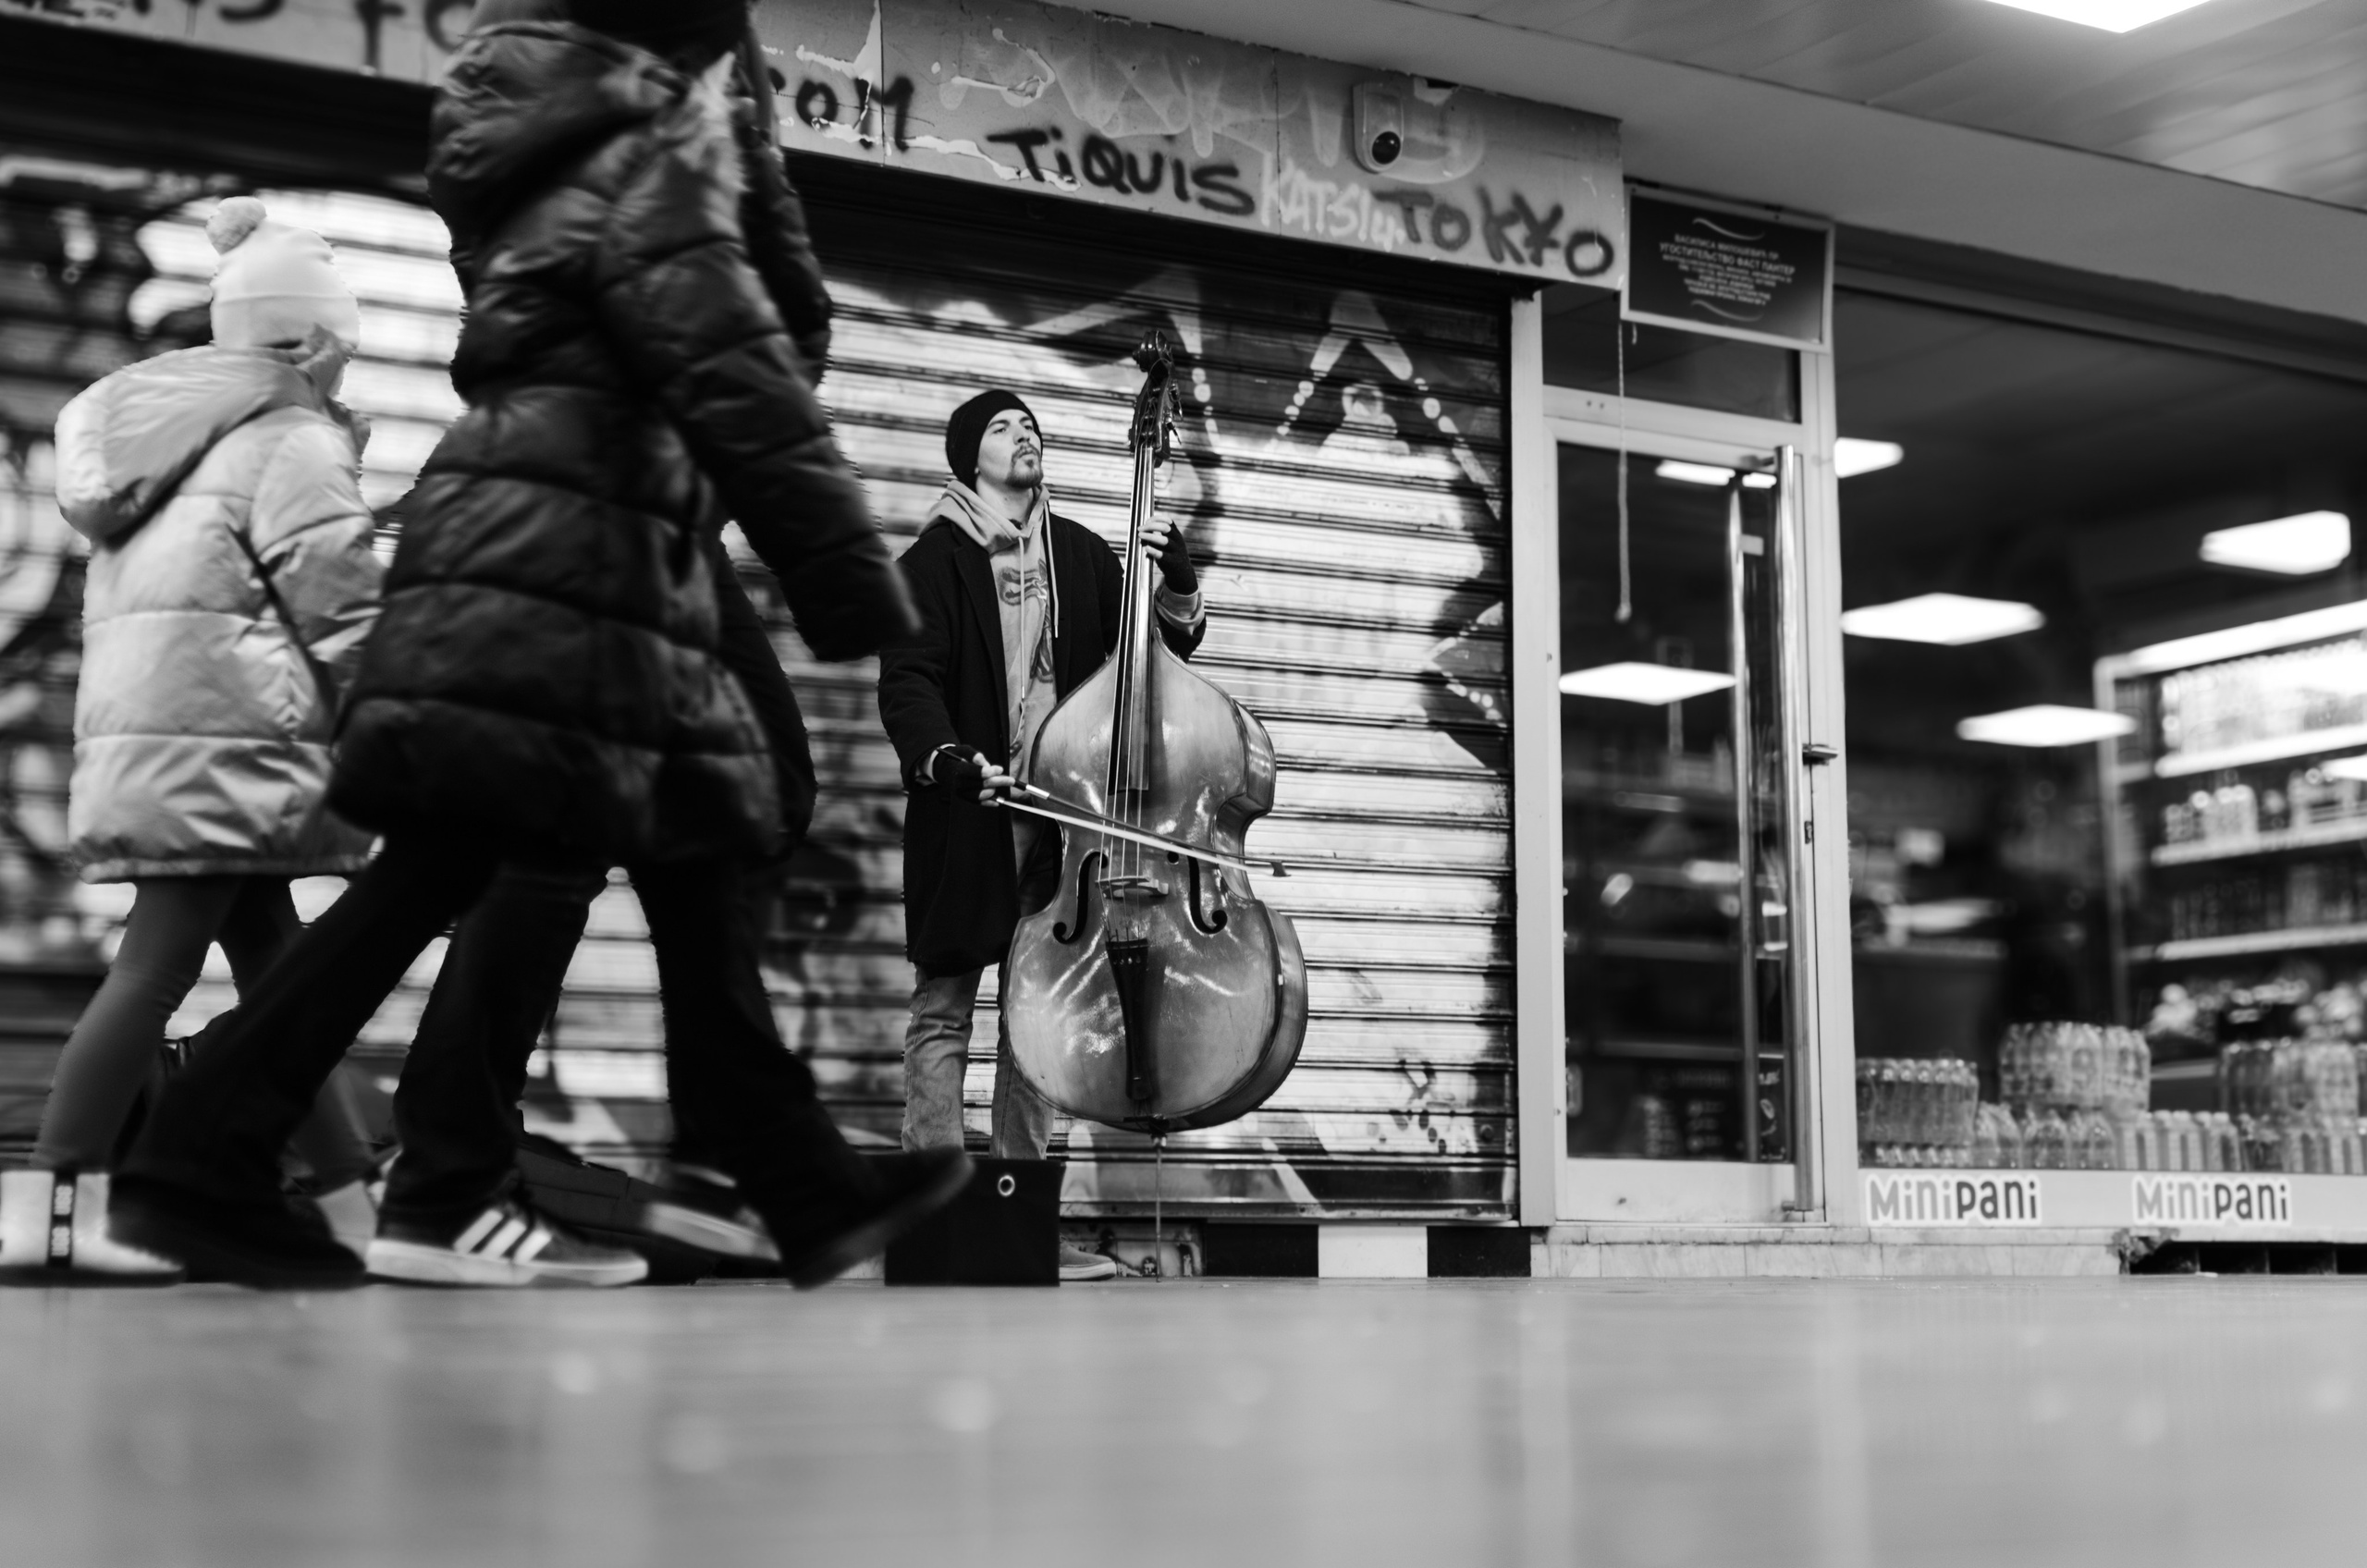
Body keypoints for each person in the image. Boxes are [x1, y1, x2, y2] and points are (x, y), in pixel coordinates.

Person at [110, 0, 966, 1290]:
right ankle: (269, 1160)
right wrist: (850, 587)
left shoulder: (593, 131)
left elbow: (762, 326)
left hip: (605, 534)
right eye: (730, 61)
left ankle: (768, 1173)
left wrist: (743, 153)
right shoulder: (635, 150)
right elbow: (746, 366)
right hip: (576, 542)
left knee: (693, 838)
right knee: (485, 857)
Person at [0, 198, 384, 1284]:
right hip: (231, 752)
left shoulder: (164, 438)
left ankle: (353, 1207)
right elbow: (340, 606)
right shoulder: (288, 438)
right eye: (342, 345)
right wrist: (397, 724)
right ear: (310, 342)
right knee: (156, 973)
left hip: (179, 747)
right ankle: (55, 1207)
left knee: (285, 991)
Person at [877, 390, 1207, 1283]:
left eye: (1029, 424)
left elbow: (1154, 661)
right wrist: (944, 757)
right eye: (1000, 427)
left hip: (1065, 828)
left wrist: (1177, 585)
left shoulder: (1082, 555)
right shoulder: (932, 563)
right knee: (945, 1011)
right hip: (968, 812)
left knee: (1038, 1025)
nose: (1022, 434)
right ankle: (935, 1222)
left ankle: (1018, 1224)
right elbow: (908, 681)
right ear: (968, 458)